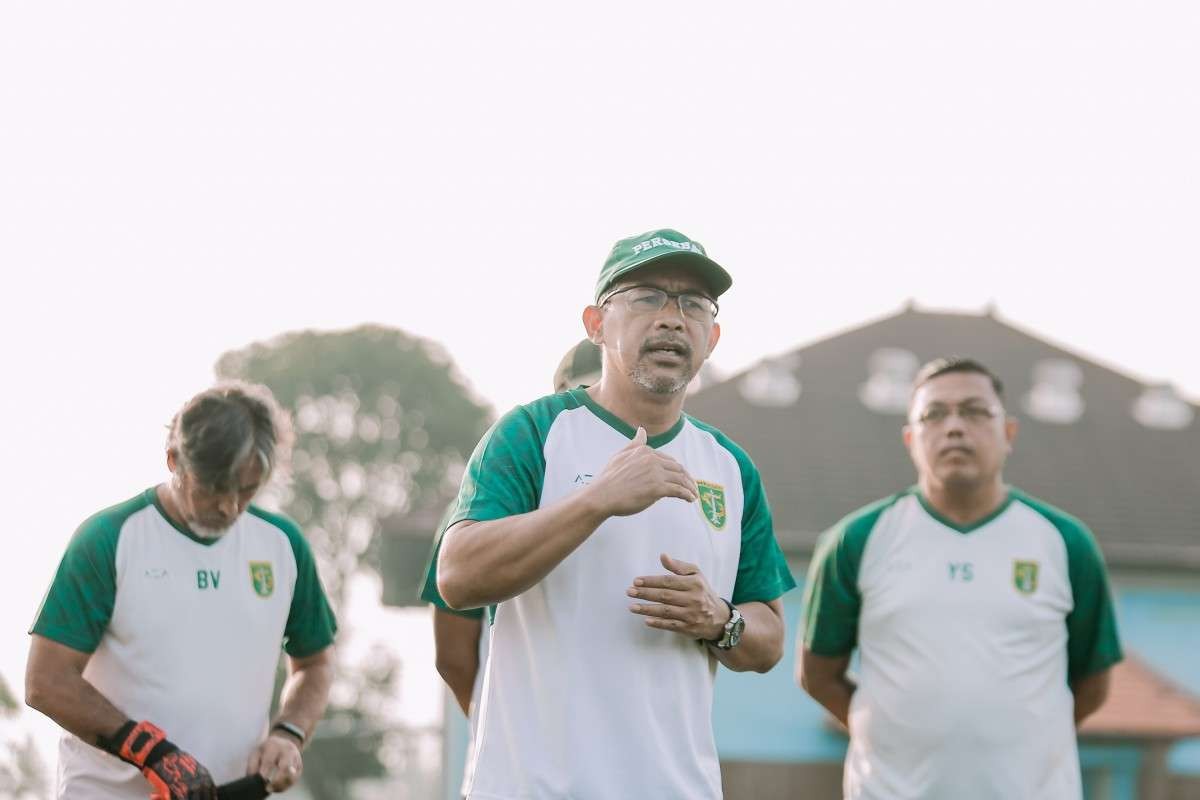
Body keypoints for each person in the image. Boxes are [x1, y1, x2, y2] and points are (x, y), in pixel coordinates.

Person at [436, 229, 796, 799]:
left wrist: (718, 619)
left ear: (713, 336)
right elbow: (457, 577)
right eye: (648, 296)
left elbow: (770, 637)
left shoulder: (729, 466)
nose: (673, 319)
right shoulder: (532, 432)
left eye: (694, 304)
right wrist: (596, 500)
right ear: (595, 324)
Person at [798, 357, 1122, 800]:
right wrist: (891, 734)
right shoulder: (855, 540)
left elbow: (1093, 684)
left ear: (1008, 433)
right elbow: (819, 677)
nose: (954, 427)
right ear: (911, 439)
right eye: (934, 414)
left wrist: (1025, 741)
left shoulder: (1066, 543)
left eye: (974, 411)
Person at [26, 381, 337, 799]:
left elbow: (314, 664)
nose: (229, 506)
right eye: (214, 487)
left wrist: (289, 733)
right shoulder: (107, 538)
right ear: (174, 460)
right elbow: (46, 682)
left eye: (246, 489)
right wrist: (153, 754)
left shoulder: (283, 545)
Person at [420, 338, 601, 798]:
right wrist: (500, 727)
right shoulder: (491, 498)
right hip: (519, 774)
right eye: (583, 393)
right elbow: (454, 655)